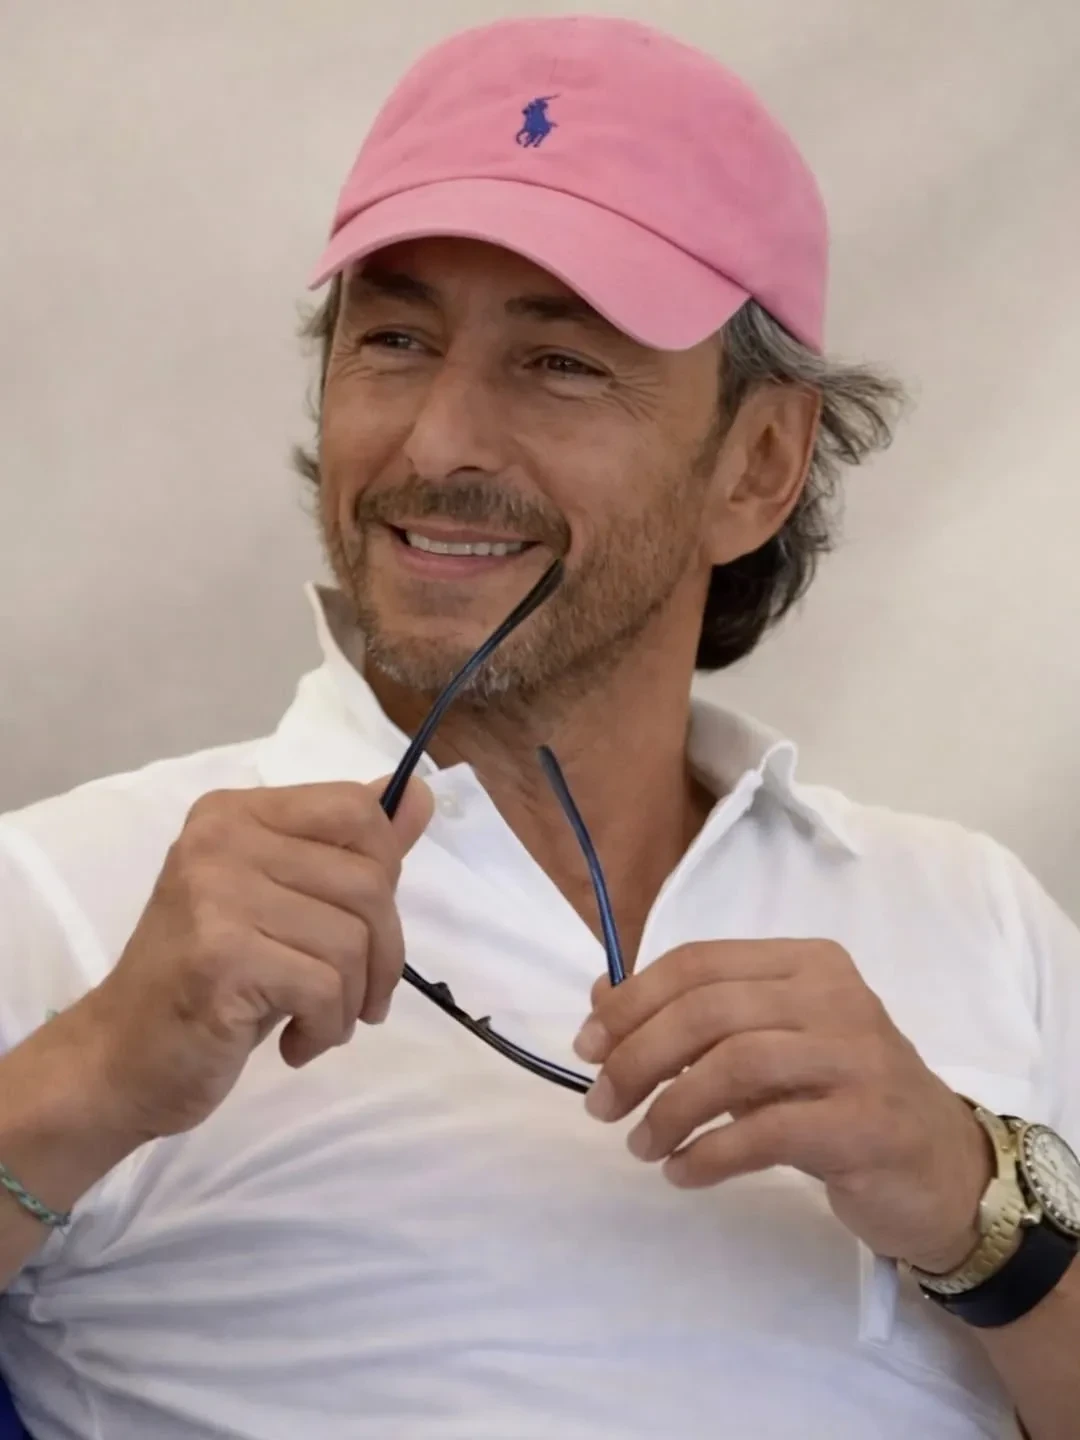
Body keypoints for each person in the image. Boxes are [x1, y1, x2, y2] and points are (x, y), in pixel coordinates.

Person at [0, 13, 1077, 1439]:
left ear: (758, 463)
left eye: (560, 361)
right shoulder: (63, 901)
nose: (437, 442)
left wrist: (981, 1213)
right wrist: (89, 1078)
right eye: (394, 339)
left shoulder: (981, 919)